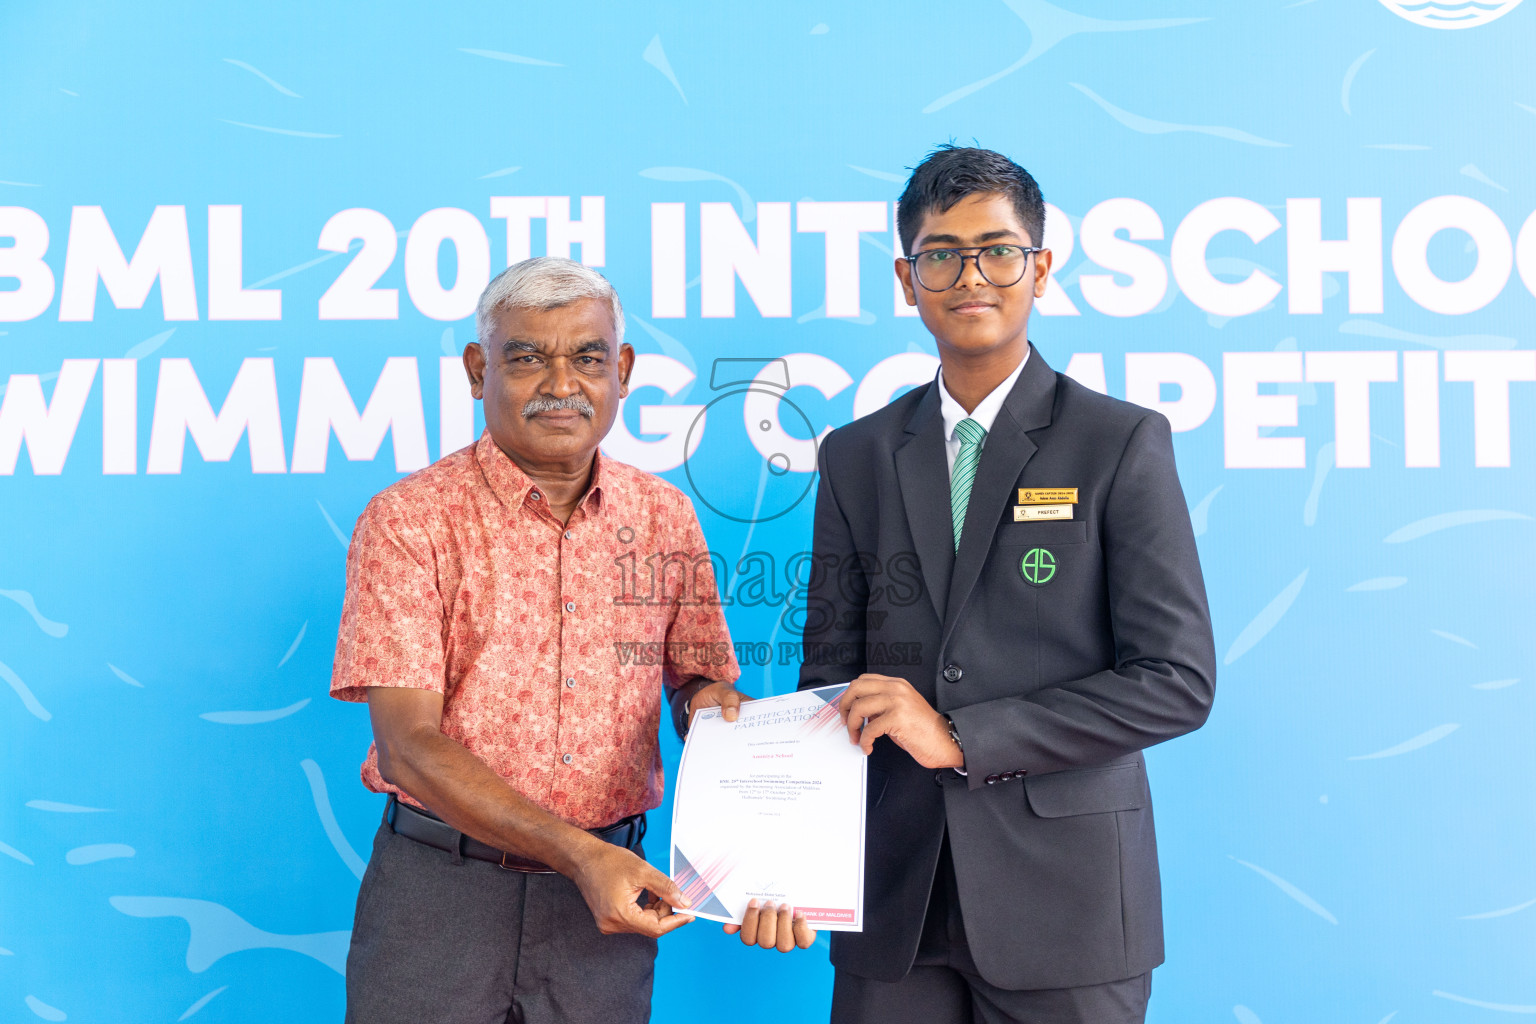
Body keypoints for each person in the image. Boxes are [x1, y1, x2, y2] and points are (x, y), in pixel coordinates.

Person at [797, 146, 1217, 1023]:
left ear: (1041, 268)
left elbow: (1177, 684)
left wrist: (960, 735)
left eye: (998, 250)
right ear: (909, 281)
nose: (971, 275)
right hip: (893, 907)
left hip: (1066, 907)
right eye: (942, 254)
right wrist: (779, 859)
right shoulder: (855, 455)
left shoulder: (1121, 443)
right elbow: (828, 686)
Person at [329, 257, 804, 1024]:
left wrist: (725, 726)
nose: (560, 382)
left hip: (605, 911)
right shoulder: (409, 521)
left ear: (620, 371)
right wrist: (580, 856)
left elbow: (698, 685)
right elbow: (407, 745)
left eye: (586, 357)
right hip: (440, 897)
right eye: (525, 357)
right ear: (478, 369)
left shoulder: (664, 518)